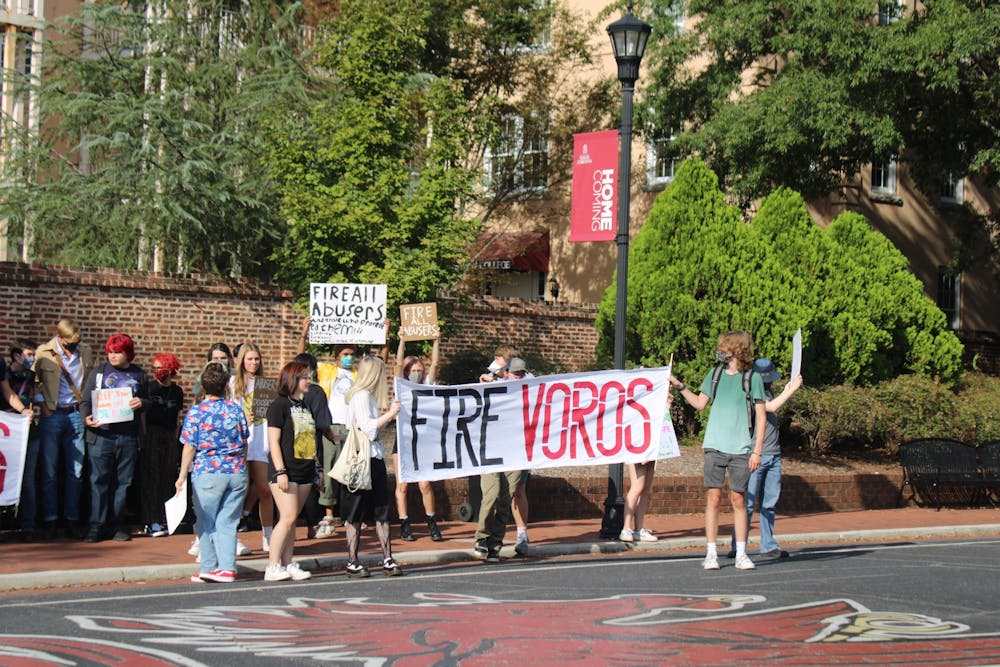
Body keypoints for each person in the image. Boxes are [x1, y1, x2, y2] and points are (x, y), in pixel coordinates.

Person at [670, 330, 766, 571]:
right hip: (714, 446)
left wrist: (757, 451)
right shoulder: (714, 374)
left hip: (741, 449)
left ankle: (741, 553)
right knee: (713, 498)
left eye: (724, 347)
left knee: (738, 499)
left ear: (735, 349)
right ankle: (711, 552)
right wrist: (680, 386)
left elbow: (762, 417)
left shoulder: (752, 379)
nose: (720, 351)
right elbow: (700, 404)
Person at [296, 316, 390, 539]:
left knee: (352, 471)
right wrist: (304, 333)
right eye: (345, 354)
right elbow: (300, 361)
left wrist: (385, 336)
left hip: (353, 430)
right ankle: (329, 513)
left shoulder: (360, 375)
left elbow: (381, 364)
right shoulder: (327, 371)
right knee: (330, 470)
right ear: (337, 356)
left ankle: (352, 514)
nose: (349, 358)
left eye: (351, 354)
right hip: (332, 426)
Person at [176, 361, 249, 583]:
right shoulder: (235, 409)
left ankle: (209, 566)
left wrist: (181, 476)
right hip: (236, 469)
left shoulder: (197, 412)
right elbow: (244, 440)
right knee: (228, 521)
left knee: (206, 521)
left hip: (207, 471)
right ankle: (227, 567)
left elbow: (189, 446)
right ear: (226, 385)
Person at [726, 358, 803, 560]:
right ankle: (737, 545)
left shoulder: (768, 391)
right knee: (748, 503)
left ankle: (767, 544)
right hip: (755, 455)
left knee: (769, 502)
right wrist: (791, 390)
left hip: (773, 455)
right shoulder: (750, 392)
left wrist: (788, 387)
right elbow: (771, 407)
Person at [79, 333, 150, 543]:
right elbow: (84, 401)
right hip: (102, 435)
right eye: (110, 352)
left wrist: (142, 403)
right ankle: (96, 526)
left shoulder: (140, 375)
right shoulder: (98, 373)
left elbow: (148, 401)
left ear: (128, 353)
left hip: (127, 436)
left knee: (123, 483)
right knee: (98, 481)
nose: (112, 356)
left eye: (117, 352)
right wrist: (86, 419)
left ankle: (116, 525)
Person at [341, 355, 402, 578]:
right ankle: (353, 559)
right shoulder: (362, 396)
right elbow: (369, 428)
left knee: (380, 510)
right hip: (363, 458)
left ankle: (385, 557)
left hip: (371, 457)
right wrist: (390, 415)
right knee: (358, 511)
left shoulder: (364, 397)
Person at [33, 319, 95, 539]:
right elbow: (35, 382)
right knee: (49, 471)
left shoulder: (85, 351)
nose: (72, 346)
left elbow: (89, 382)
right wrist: (43, 406)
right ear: (58, 337)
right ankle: (50, 520)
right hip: (53, 414)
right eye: (69, 343)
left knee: (76, 471)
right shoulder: (44, 352)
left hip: (75, 413)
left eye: (75, 342)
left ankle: (71, 519)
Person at [264, 361, 319, 582]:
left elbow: (309, 439)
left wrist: (317, 468)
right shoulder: (278, 406)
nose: (308, 380)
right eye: (304, 377)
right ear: (293, 379)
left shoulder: (304, 406)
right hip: (285, 470)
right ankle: (272, 565)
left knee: (293, 519)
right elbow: (274, 442)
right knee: (286, 517)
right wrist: (280, 471)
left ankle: (288, 562)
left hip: (304, 468)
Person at [394, 338, 443, 542]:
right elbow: (396, 365)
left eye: (419, 370)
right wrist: (402, 341)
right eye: (413, 370)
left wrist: (436, 341)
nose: (417, 373)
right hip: (403, 439)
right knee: (403, 485)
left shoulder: (426, 386)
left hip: (422, 440)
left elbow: (435, 364)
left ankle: (431, 521)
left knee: (424, 484)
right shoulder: (401, 386)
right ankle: (404, 523)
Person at [229, 342, 270, 553]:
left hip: (260, 442)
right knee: (238, 490)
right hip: (240, 443)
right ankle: (232, 537)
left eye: (257, 359)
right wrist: (242, 418)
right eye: (250, 359)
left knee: (265, 489)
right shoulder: (232, 384)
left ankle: (268, 536)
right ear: (241, 361)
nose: (254, 363)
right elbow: (226, 414)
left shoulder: (265, 384)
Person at [140, 353, 184, 537]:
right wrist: (144, 435)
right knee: (152, 476)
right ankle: (151, 520)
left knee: (167, 476)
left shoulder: (176, 391)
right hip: (152, 432)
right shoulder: (149, 388)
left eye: (162, 368)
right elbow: (143, 413)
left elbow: (177, 416)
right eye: (155, 368)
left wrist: (175, 438)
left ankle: (165, 518)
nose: (158, 372)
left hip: (168, 435)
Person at [2, 340, 38, 540]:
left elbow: (38, 397)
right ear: (17, 355)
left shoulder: (33, 377)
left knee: (28, 481)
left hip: (26, 432)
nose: (31, 357)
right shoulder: (4, 374)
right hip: (6, 432)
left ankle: (29, 526)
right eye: (28, 353)